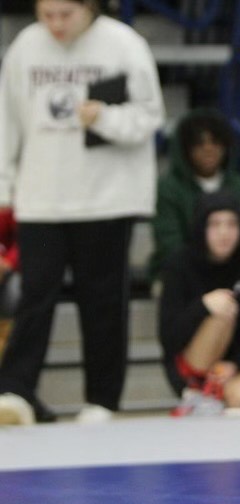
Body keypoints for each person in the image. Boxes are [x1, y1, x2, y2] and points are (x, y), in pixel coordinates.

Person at [0, 0, 165, 426]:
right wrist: (5, 189)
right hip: (40, 197)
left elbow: (150, 116)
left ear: (88, 7)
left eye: (65, 14)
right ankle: (16, 390)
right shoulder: (25, 47)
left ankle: (102, 400)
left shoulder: (123, 44)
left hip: (107, 198)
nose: (55, 24)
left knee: (103, 300)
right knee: (34, 295)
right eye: (46, 14)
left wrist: (105, 118)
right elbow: (7, 124)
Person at [158, 191, 240, 416]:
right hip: (192, 364)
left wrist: (236, 364)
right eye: (214, 225)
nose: (224, 233)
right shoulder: (179, 264)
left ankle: (210, 400)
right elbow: (168, 335)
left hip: (235, 366)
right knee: (223, 308)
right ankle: (198, 392)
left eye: (232, 224)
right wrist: (203, 305)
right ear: (201, 228)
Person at [149, 108, 240, 291]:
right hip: (180, 271)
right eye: (199, 143)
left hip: (230, 271)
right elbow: (169, 243)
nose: (208, 149)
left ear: (226, 146)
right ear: (184, 149)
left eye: (215, 142)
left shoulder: (238, 186)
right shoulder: (168, 188)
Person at [0, 207, 20, 360]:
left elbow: (25, 241)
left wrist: (8, 262)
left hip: (8, 270)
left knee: (15, 290)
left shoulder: (7, 205)